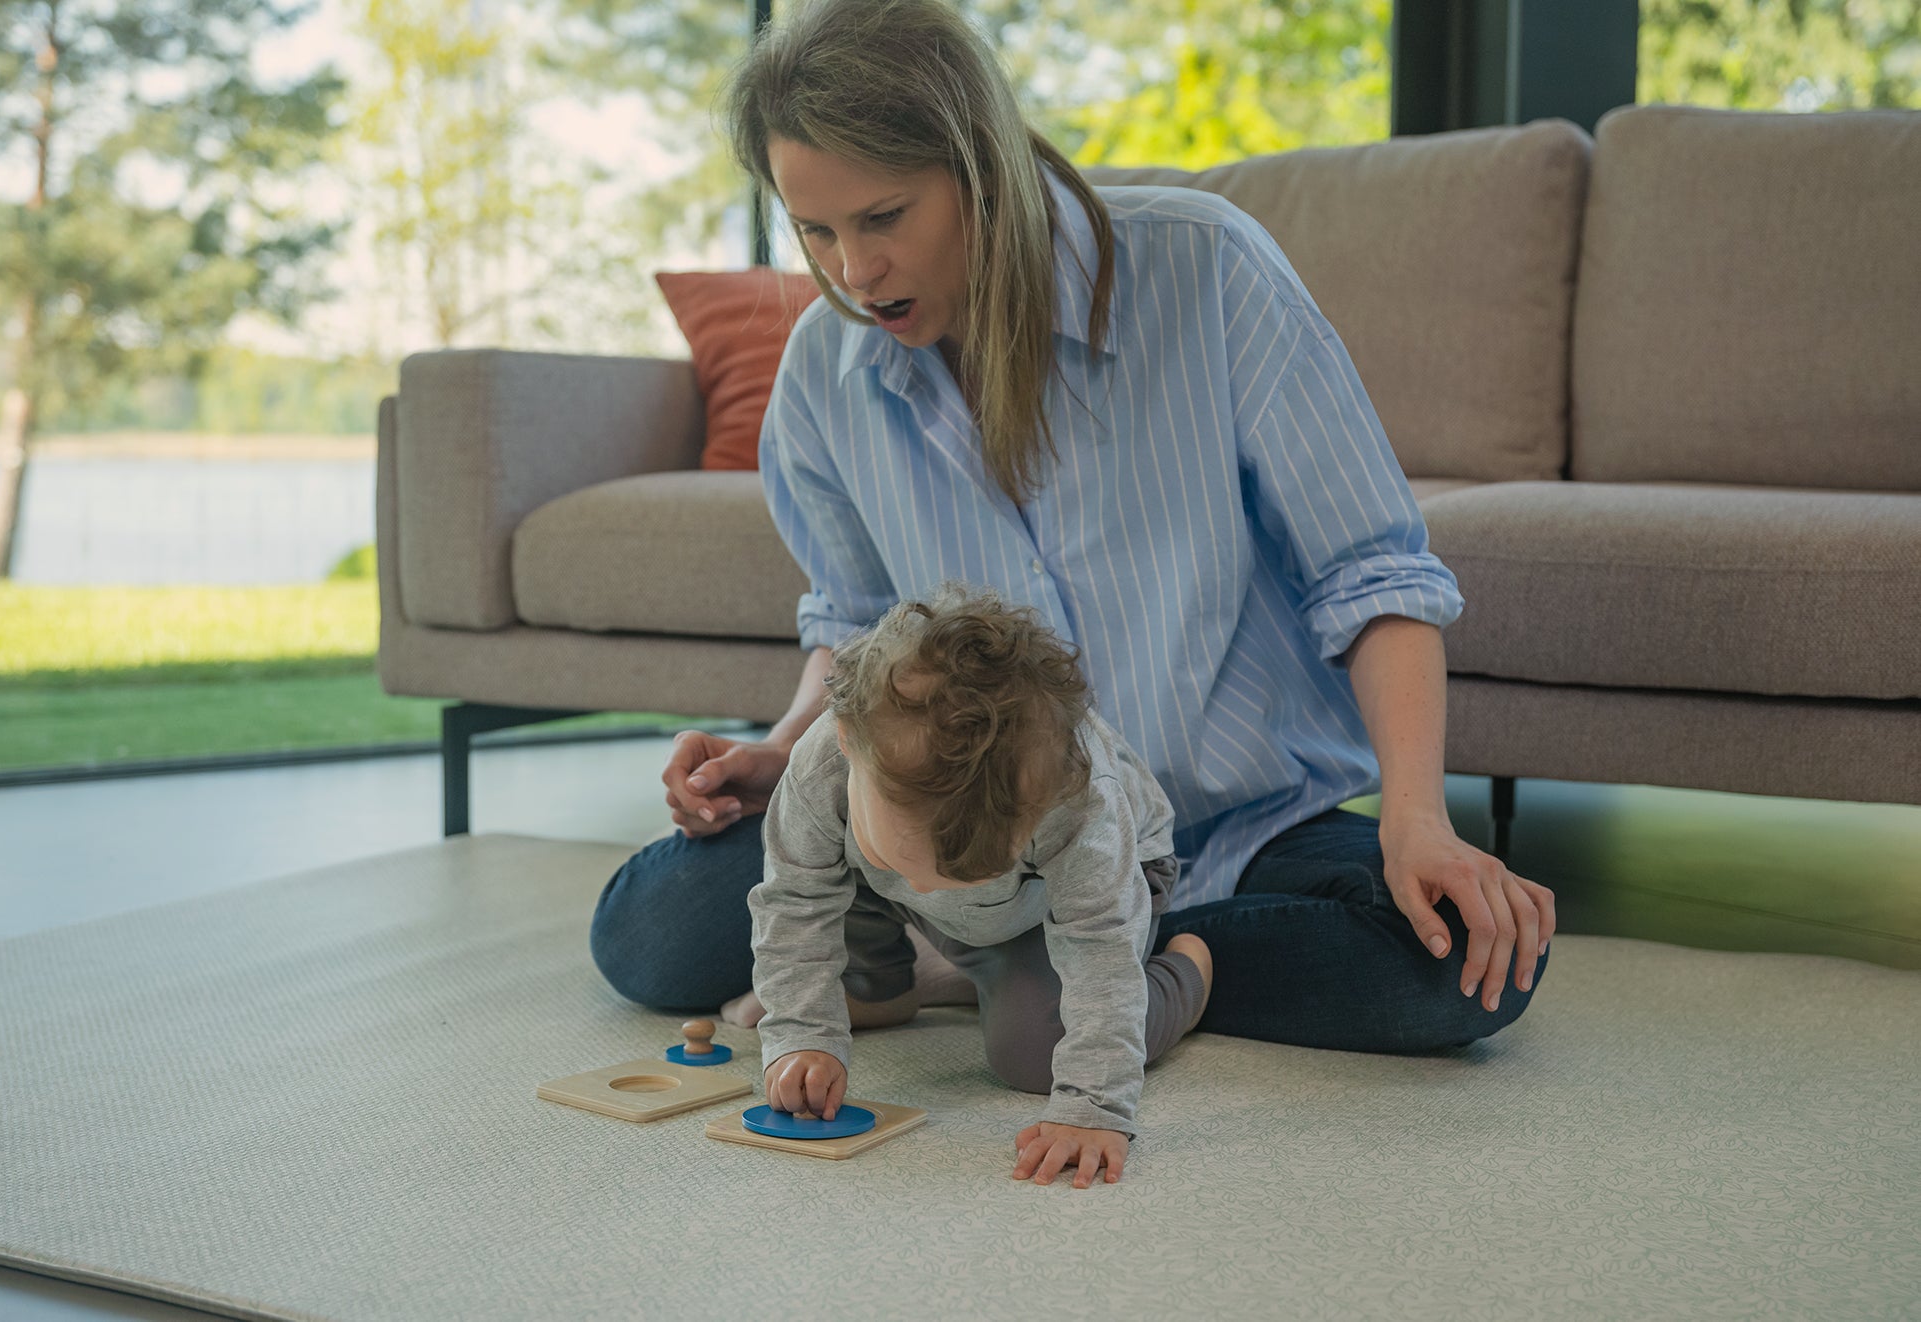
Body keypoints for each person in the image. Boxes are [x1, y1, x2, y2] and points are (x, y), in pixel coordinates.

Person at [591, 0, 1556, 1054]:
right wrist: (784, 752)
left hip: (1232, 832)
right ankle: (1052, 966)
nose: (853, 273)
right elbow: (856, 627)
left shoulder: (1207, 269)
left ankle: (1042, 964)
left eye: (883, 218)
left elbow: (1370, 575)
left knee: (1458, 967)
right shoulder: (824, 372)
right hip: (961, 838)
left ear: (982, 169)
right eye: (814, 231)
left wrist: (1416, 820)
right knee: (647, 934)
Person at [752, 583, 1210, 1189]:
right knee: (831, 875)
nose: (924, 887)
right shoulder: (821, 766)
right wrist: (801, 1032)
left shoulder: (1078, 801)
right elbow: (795, 901)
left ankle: (1187, 971)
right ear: (846, 742)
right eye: (901, 860)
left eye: (971, 869)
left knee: (1032, 1054)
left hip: (1090, 898)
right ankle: (881, 985)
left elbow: (1099, 945)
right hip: (970, 906)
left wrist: (1094, 1105)